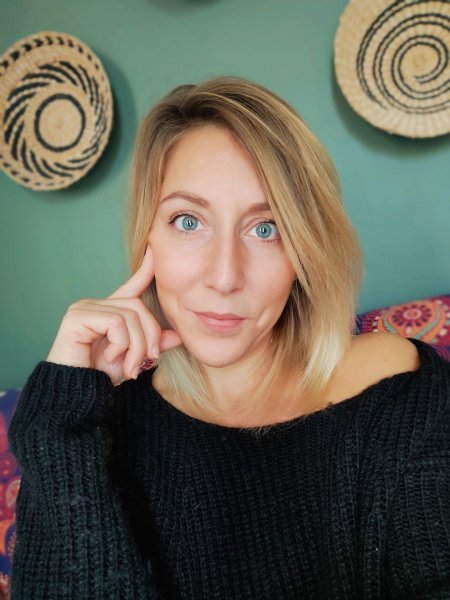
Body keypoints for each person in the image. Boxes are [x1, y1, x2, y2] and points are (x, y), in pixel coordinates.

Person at [7, 76, 450, 599]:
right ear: (148, 237)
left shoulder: (399, 392)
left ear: (305, 252)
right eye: (187, 221)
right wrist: (62, 425)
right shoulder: (96, 432)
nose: (223, 276)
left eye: (266, 228)